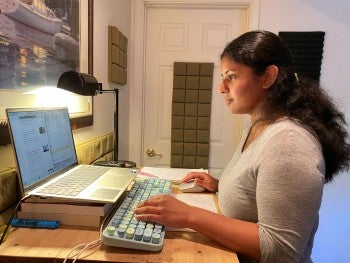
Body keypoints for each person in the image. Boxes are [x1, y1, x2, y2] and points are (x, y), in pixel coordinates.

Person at [134, 30, 350, 263]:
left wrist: (189, 216)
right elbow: (257, 192)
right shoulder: (258, 126)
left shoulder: (289, 143)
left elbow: (280, 251)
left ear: (268, 77)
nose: (221, 88)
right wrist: (219, 185)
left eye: (232, 76)